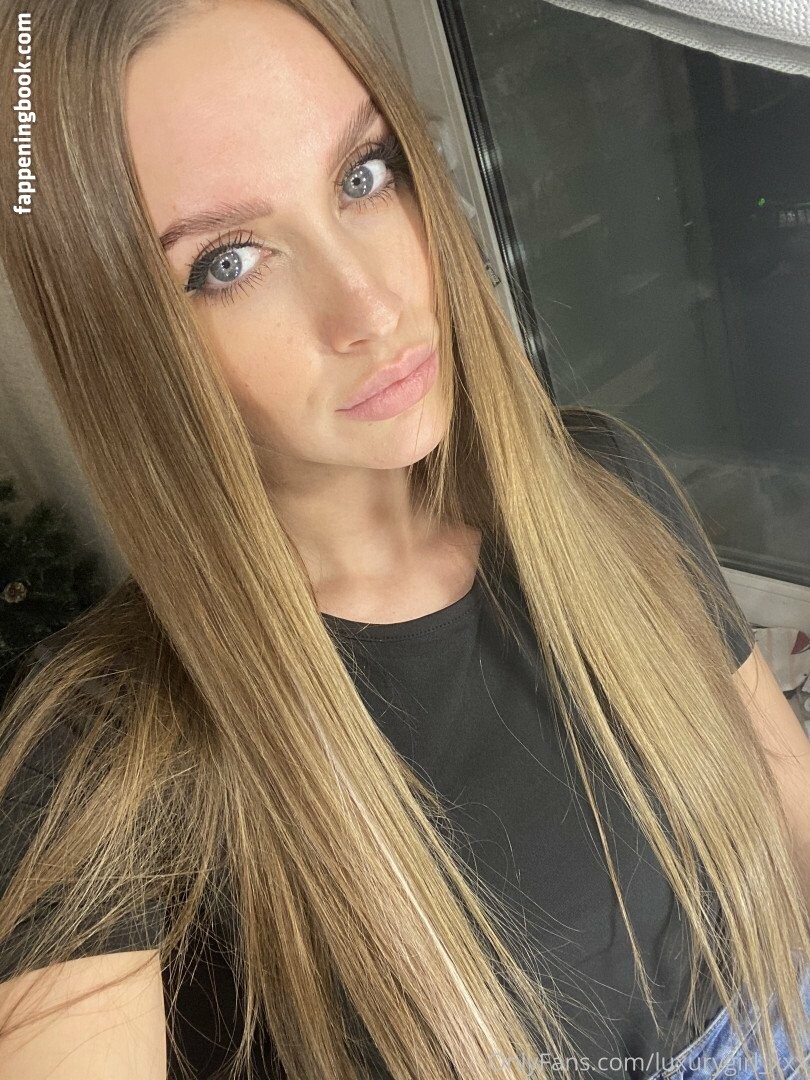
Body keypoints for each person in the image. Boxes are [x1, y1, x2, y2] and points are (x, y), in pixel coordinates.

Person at [0, 1, 808, 1078]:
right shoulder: (104, 743)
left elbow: (785, 792)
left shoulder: (604, 488)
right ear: (123, 340)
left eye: (363, 174)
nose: (370, 306)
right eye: (228, 261)